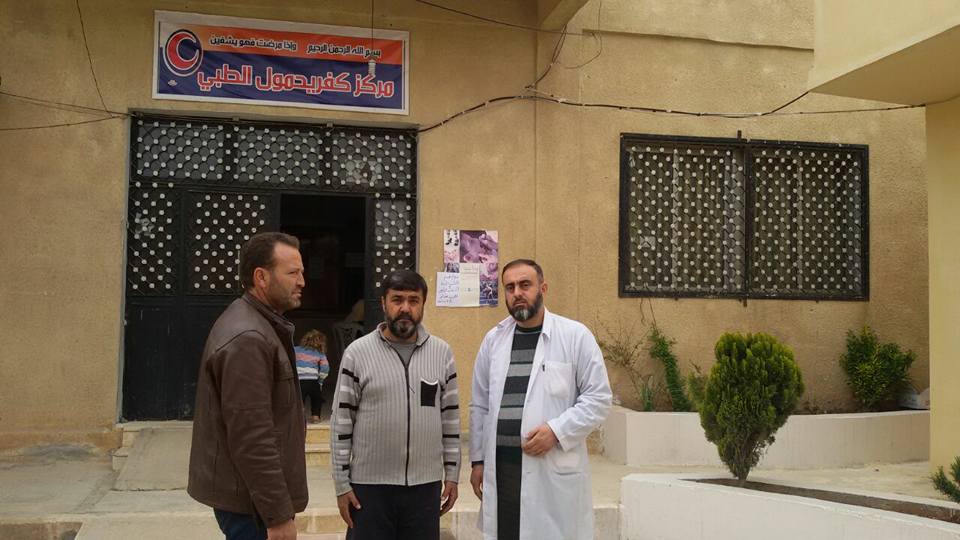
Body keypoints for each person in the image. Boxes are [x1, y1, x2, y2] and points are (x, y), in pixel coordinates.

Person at [469, 259, 612, 540]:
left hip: (551, 471)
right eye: (510, 287)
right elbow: (480, 404)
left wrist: (557, 431)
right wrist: (477, 461)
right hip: (503, 470)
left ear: (542, 288)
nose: (517, 293)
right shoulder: (493, 340)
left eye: (525, 285)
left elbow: (598, 398)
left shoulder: (575, 336)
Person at [188, 232, 308, 540]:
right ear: (261, 277)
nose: (302, 282)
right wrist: (277, 516)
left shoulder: (258, 324)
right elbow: (252, 436)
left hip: (252, 502)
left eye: (302, 273)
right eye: (292, 273)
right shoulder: (249, 338)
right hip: (251, 507)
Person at [330, 269, 461, 540]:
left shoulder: (442, 353)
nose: (405, 308)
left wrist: (452, 473)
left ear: (423, 304)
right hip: (369, 489)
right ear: (383, 303)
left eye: (413, 300)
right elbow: (341, 422)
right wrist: (342, 484)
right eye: (397, 300)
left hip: (425, 488)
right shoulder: (357, 353)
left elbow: (450, 420)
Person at [296, 330, 331, 423]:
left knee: (299, 400)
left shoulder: (295, 350)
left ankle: (300, 418)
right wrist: (320, 381)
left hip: (299, 381)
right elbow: (325, 368)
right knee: (317, 399)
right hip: (313, 381)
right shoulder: (319, 353)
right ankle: (315, 417)